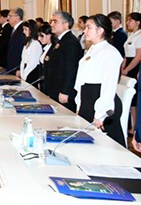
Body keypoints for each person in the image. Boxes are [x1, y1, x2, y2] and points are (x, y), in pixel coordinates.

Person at [75, 14, 125, 147]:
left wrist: (100, 114)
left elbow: (109, 86)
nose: (85, 31)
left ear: (100, 30)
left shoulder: (109, 52)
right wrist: (79, 103)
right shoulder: (93, 49)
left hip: (100, 102)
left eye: (88, 27)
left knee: (108, 147)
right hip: (89, 99)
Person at [45, 11, 83, 112]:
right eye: (51, 21)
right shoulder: (59, 40)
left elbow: (71, 69)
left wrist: (65, 91)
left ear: (65, 24)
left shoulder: (70, 42)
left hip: (63, 92)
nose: (51, 24)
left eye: (55, 21)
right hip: (55, 89)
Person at [121, 12, 141, 136]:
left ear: (138, 22)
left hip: (134, 66)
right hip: (128, 64)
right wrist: (123, 65)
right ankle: (133, 125)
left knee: (135, 98)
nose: (128, 23)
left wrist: (127, 69)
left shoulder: (140, 35)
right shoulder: (132, 35)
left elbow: (138, 57)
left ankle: (135, 126)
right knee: (131, 99)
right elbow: (126, 54)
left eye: (130, 20)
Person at [17, 19, 42, 84]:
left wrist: (24, 76)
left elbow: (32, 63)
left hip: (31, 72)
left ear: (31, 30)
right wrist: (22, 72)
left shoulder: (35, 44)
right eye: (23, 29)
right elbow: (23, 60)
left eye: (26, 29)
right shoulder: (28, 42)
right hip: (25, 70)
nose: (23, 32)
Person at [6, 8, 26, 74]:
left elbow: (21, 49)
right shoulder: (14, 29)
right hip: (12, 66)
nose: (8, 18)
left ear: (17, 17)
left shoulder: (22, 29)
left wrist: (19, 68)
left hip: (17, 67)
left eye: (10, 16)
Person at [36, 22, 54, 92]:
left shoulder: (53, 49)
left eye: (41, 36)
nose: (39, 38)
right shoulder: (45, 48)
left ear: (49, 36)